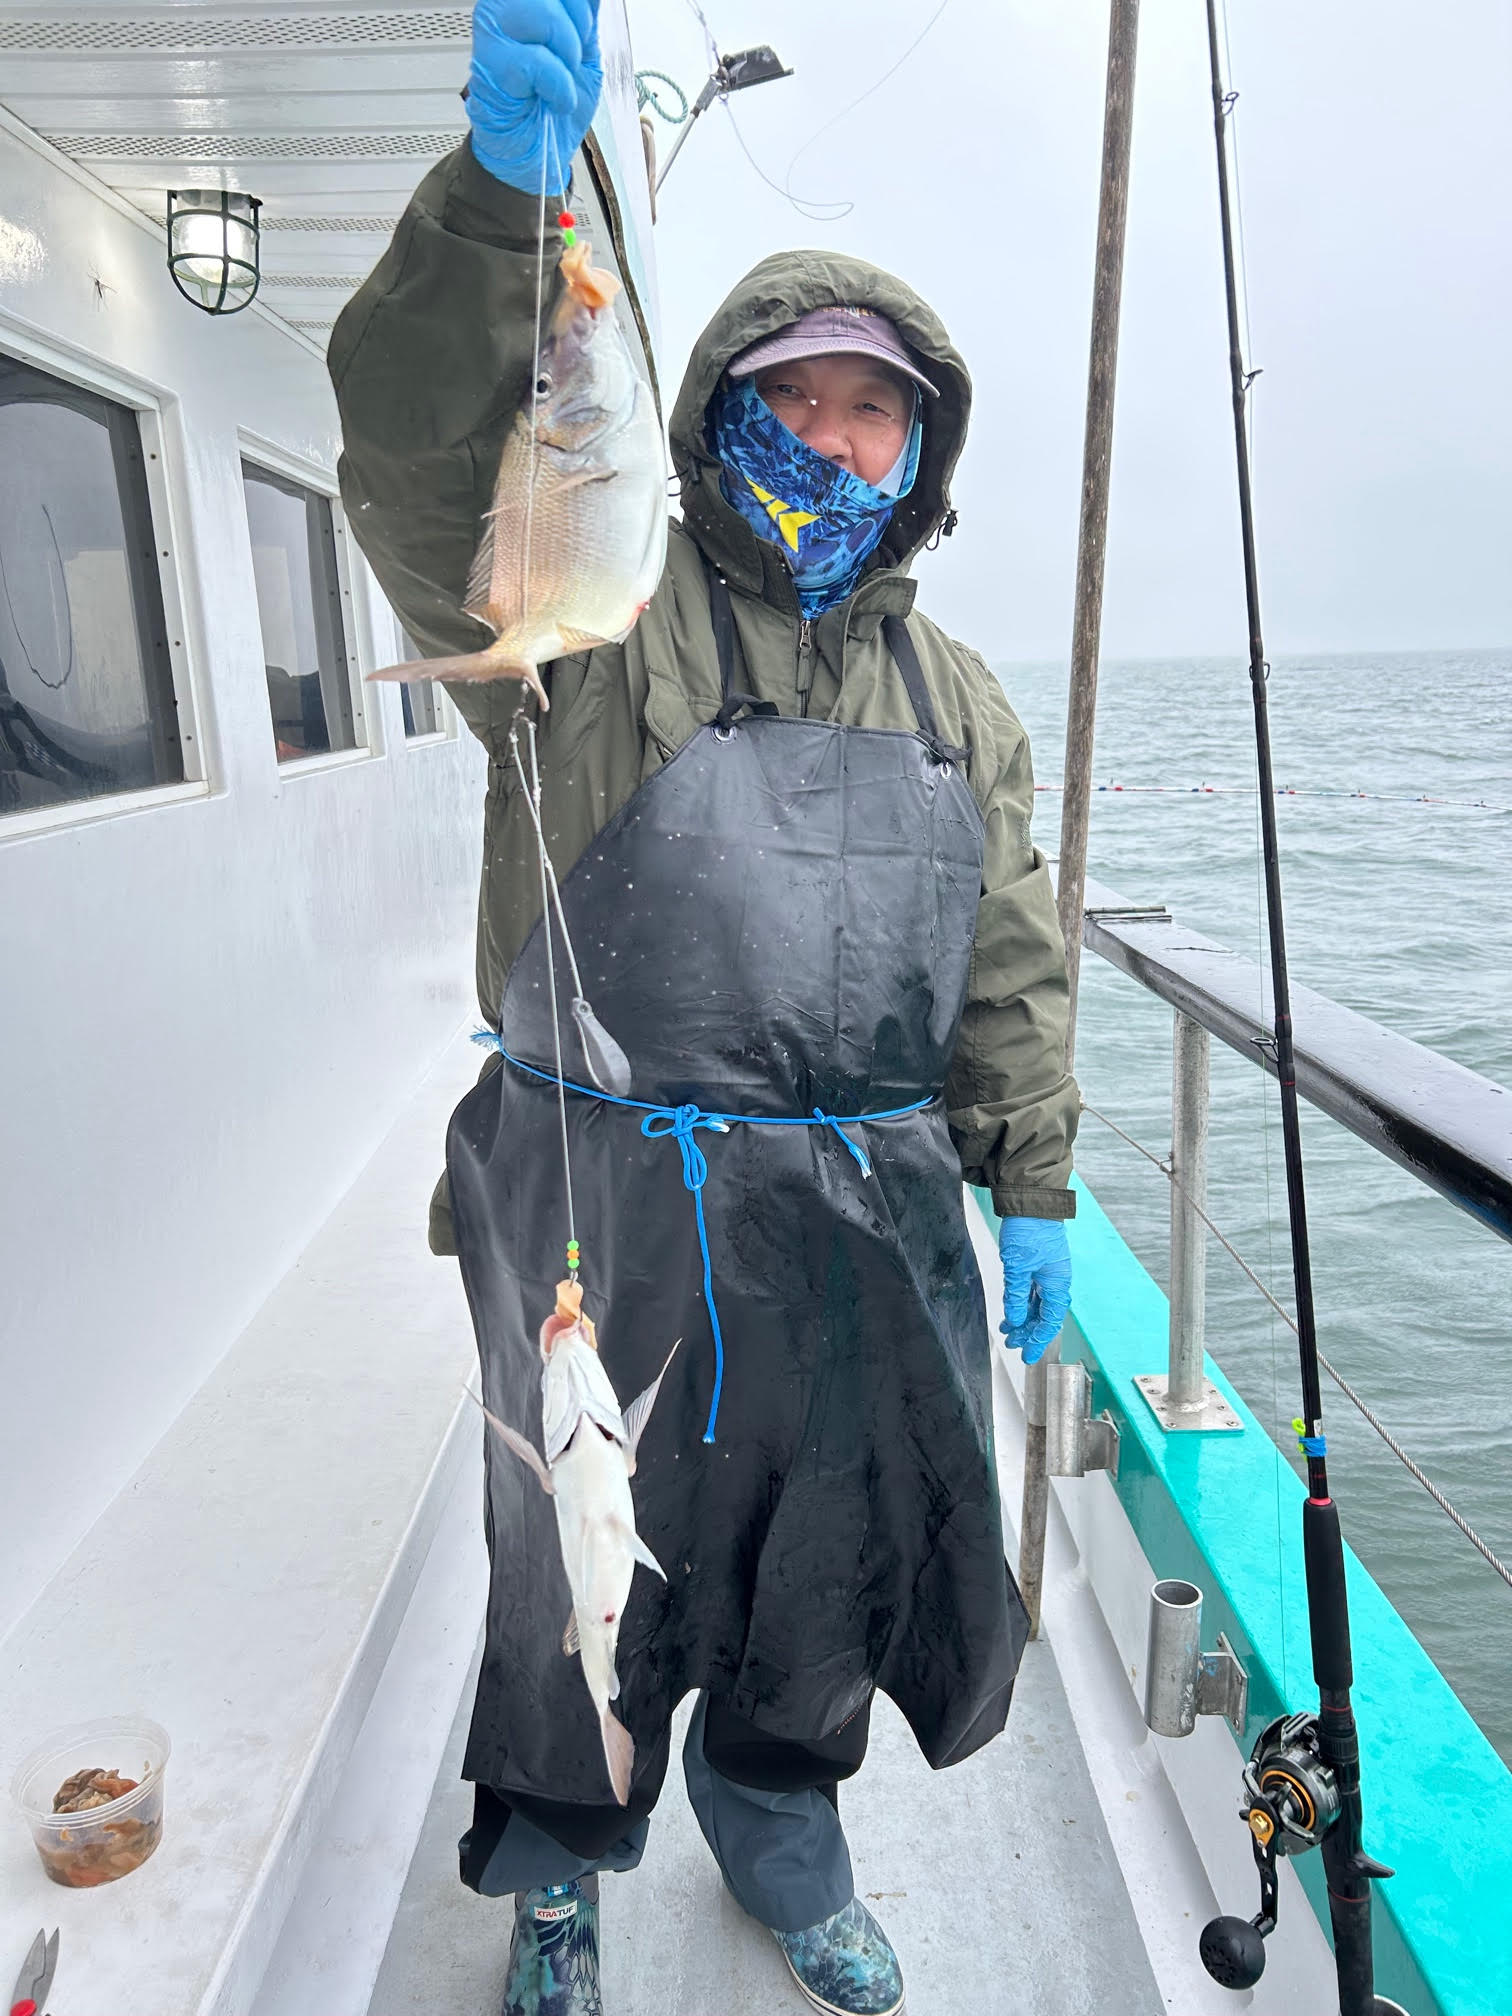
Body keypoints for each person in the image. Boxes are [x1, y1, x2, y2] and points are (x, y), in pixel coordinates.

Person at [330, 5, 1078, 2011]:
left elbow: (1006, 950)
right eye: (798, 392)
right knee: (577, 1534)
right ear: (715, 406)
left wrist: (1041, 1178)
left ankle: (780, 1824)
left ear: (922, 452)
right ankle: (564, 1862)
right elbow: (412, 464)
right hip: (604, 1196)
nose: (834, 435)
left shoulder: (963, 698)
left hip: (860, 1213)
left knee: (810, 1554)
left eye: (874, 411)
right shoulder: (591, 606)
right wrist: (504, 204)